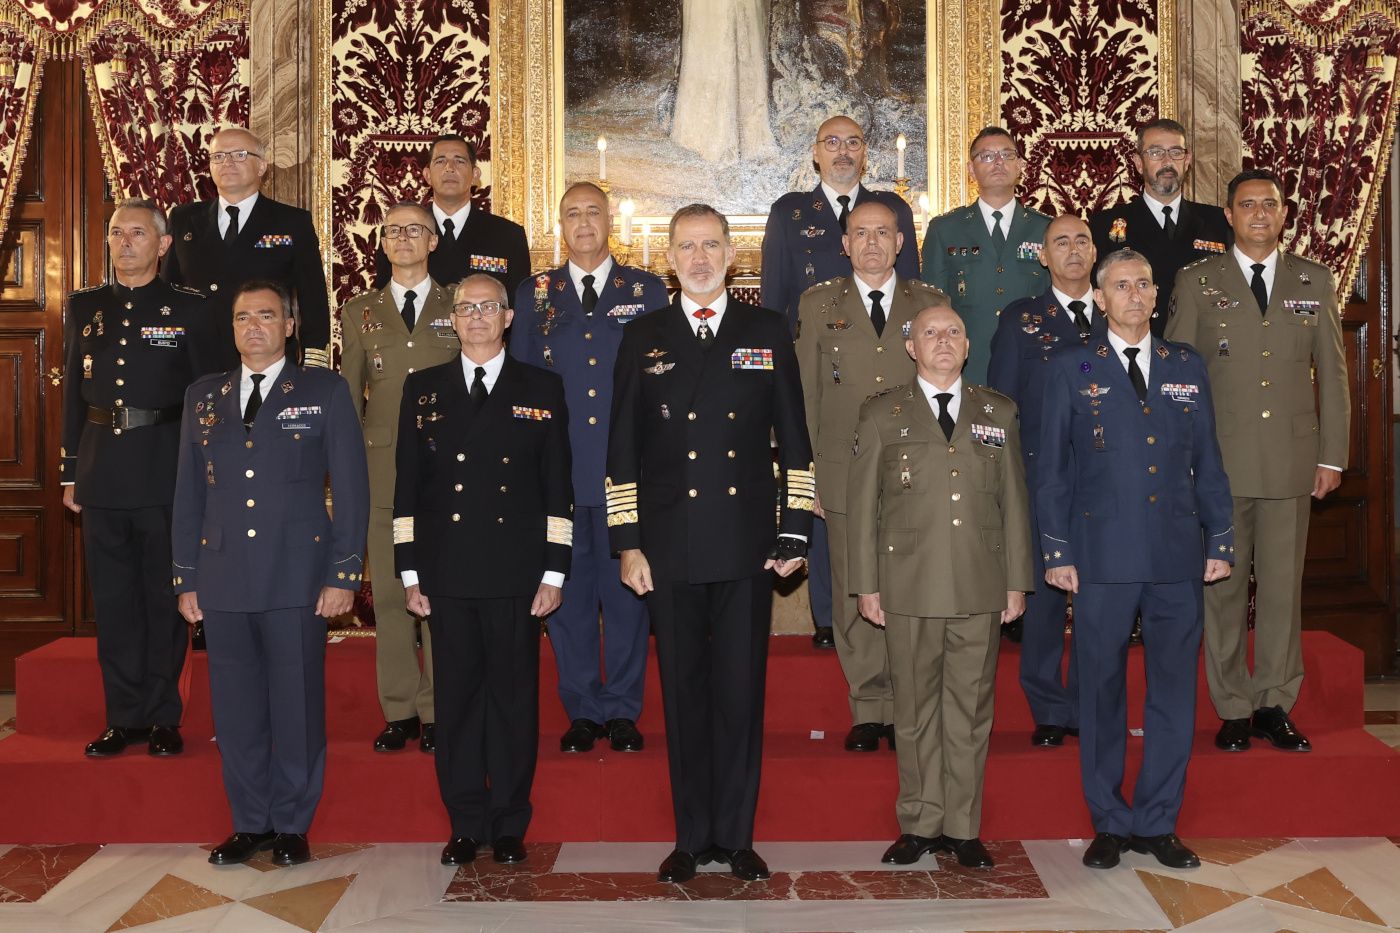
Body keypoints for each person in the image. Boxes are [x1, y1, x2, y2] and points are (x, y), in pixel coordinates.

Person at [607, 203, 813, 883]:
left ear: (734, 256)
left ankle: (738, 834)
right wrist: (628, 543)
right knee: (684, 694)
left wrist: (796, 526)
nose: (699, 258)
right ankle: (691, 837)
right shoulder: (644, 336)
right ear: (669, 258)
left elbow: (796, 441)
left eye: (711, 246)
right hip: (670, 548)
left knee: (740, 694)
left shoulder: (765, 328)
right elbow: (622, 453)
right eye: (686, 247)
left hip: (747, 543)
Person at [1037, 248, 1234, 871]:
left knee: (1174, 693)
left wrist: (1220, 540)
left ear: (1156, 295)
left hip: (1177, 554)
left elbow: (1208, 459)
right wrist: (1057, 551)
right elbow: (1053, 472)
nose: (1134, 294)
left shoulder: (1185, 365)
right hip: (1101, 556)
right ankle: (1110, 822)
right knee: (1100, 692)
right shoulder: (1072, 366)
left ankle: (1157, 820)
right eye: (1120, 285)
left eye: (1144, 284)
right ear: (1099, 297)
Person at [172, 280, 369, 867]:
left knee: (295, 702)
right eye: (241, 318)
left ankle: (292, 823)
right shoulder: (203, 396)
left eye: (265, 316)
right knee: (235, 708)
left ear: (290, 325)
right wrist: (186, 577)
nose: (252, 326)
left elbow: (352, 492)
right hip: (224, 573)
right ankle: (249, 821)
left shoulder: (324, 390)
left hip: (297, 576)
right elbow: (187, 494)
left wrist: (344, 573)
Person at [1165, 168, 1349, 754]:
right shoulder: (1198, 282)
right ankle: (1233, 707)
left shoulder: (1313, 280)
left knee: (1279, 589)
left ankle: (1274, 701)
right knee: (1220, 588)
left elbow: (1336, 377)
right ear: (1229, 215)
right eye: (1248, 205)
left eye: (1270, 204)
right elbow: (1177, 378)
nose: (1260, 214)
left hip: (1294, 461)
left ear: (1285, 212)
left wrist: (1333, 457)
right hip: (1219, 464)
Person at [394, 274, 573, 868]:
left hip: (516, 575)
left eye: (488, 307)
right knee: (459, 701)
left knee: (514, 701)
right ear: (452, 317)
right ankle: (466, 821)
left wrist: (555, 572)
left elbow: (558, 491)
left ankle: (511, 823)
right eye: (465, 308)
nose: (476, 317)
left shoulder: (542, 387)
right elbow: (407, 491)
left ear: (508, 316)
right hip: (447, 573)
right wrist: (409, 570)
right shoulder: (422, 389)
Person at [848, 301, 1032, 870]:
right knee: (915, 709)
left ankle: (963, 825)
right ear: (911, 347)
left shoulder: (998, 412)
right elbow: (862, 510)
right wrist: (866, 586)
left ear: (968, 344)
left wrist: (1017, 582)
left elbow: (1015, 504)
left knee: (972, 709)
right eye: (930, 333)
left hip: (980, 582)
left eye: (954, 331)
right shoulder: (881, 413)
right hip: (908, 583)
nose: (943, 341)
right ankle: (921, 821)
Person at [510, 182, 668, 755]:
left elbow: (660, 378)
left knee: (627, 597)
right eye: (572, 213)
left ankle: (623, 709)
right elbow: (519, 385)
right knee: (567, 595)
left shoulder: (646, 290)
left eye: (593, 213)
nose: (583, 222)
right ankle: (581, 708)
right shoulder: (535, 294)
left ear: (610, 223)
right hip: (558, 474)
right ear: (560, 224)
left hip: (627, 473)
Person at [62, 199, 218, 758]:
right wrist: (70, 469)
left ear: (163, 244)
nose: (124, 242)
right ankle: (121, 716)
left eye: (136, 233)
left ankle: (162, 716)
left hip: (165, 471)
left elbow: (208, 397)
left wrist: (207, 473)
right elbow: (73, 398)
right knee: (114, 601)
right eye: (116, 233)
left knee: (162, 598)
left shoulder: (191, 310)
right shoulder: (86, 307)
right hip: (102, 471)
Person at [763, 113, 918, 651]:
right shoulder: (789, 212)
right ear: (815, 152)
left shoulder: (892, 210)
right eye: (833, 142)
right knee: (829, 508)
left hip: (887, 381)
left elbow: (913, 298)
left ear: (865, 153)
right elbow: (775, 305)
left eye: (854, 142)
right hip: (822, 373)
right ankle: (829, 618)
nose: (844, 151)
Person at [795, 199, 945, 751]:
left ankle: (909, 701)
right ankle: (868, 704)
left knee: (909, 585)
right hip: (842, 469)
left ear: (902, 242)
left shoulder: (928, 302)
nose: (873, 243)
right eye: (861, 233)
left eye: (884, 232)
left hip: (914, 469)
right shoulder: (818, 305)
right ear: (844, 243)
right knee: (854, 583)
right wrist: (806, 474)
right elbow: (806, 393)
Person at [340, 202, 462, 755]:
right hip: (382, 472)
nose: (404, 238)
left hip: (446, 473)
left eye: (416, 229)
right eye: (393, 231)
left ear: (433, 240)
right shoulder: (359, 310)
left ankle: (439, 710)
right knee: (389, 595)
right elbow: (349, 394)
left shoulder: (458, 301)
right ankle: (400, 711)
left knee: (437, 594)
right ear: (382, 243)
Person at [987, 214, 1100, 747]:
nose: (1073, 250)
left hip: (1107, 482)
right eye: (1061, 242)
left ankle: (1091, 701)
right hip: (1041, 477)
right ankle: (1051, 709)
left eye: (1082, 241)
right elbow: (1000, 404)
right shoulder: (1021, 319)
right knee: (1046, 601)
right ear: (1044, 256)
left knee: (1101, 598)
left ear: (1095, 253)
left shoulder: (1121, 310)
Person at [163, 127, 332, 371]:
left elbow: (312, 299)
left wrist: (313, 364)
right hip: (196, 362)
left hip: (266, 362)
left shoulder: (292, 222)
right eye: (218, 156)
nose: (227, 162)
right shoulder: (184, 219)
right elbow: (169, 294)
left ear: (261, 166)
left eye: (239, 154)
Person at [921, 126, 1050, 385]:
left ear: (1020, 165)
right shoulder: (945, 229)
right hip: (970, 367)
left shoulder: (1046, 229)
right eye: (987, 156)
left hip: (1033, 363)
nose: (998, 162)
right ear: (971, 170)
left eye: (1006, 155)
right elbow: (932, 304)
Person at [1090, 119, 1232, 337]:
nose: (1167, 161)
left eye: (1176, 152)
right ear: (1138, 163)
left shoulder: (1219, 221)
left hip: (1204, 347)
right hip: (1137, 348)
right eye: (1156, 152)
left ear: (1187, 160)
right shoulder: (1105, 225)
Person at [372, 134, 531, 298]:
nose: (449, 167)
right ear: (427, 175)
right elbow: (385, 299)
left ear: (475, 174)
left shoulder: (508, 235)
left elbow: (518, 306)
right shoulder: (398, 232)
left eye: (460, 161)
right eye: (440, 161)